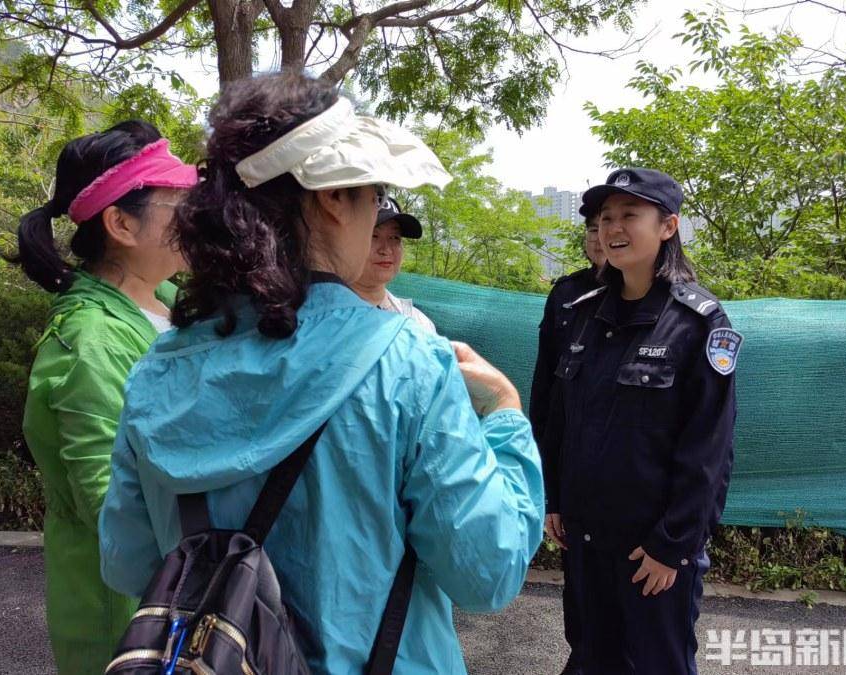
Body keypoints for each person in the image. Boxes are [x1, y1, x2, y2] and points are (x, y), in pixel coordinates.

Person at [98, 72, 544, 675]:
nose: (376, 215)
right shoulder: (409, 363)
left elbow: (127, 563)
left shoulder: (159, 368)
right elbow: (487, 573)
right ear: (333, 197)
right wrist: (507, 415)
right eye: (375, 195)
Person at [10, 121, 196, 673]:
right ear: (121, 223)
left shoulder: (163, 299)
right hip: (125, 614)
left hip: (180, 590)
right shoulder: (89, 342)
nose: (196, 216)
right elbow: (111, 508)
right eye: (178, 202)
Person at [546, 168, 739, 675]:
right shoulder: (585, 313)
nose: (614, 227)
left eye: (630, 215)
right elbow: (564, 421)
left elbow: (708, 451)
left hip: (649, 552)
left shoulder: (698, 322)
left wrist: (670, 548)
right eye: (606, 217)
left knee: (658, 664)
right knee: (590, 658)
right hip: (586, 542)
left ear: (668, 227)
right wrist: (555, 501)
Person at [529, 212, 606, 674]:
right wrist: (550, 486)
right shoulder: (567, 295)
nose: (603, 237)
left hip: (635, 491)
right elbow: (548, 393)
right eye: (595, 227)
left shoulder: (675, 310)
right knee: (580, 596)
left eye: (617, 224)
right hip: (577, 472)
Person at [351, 197, 437, 333]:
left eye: (394, 237)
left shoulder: (418, 324)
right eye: (374, 235)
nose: (386, 249)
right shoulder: (317, 317)